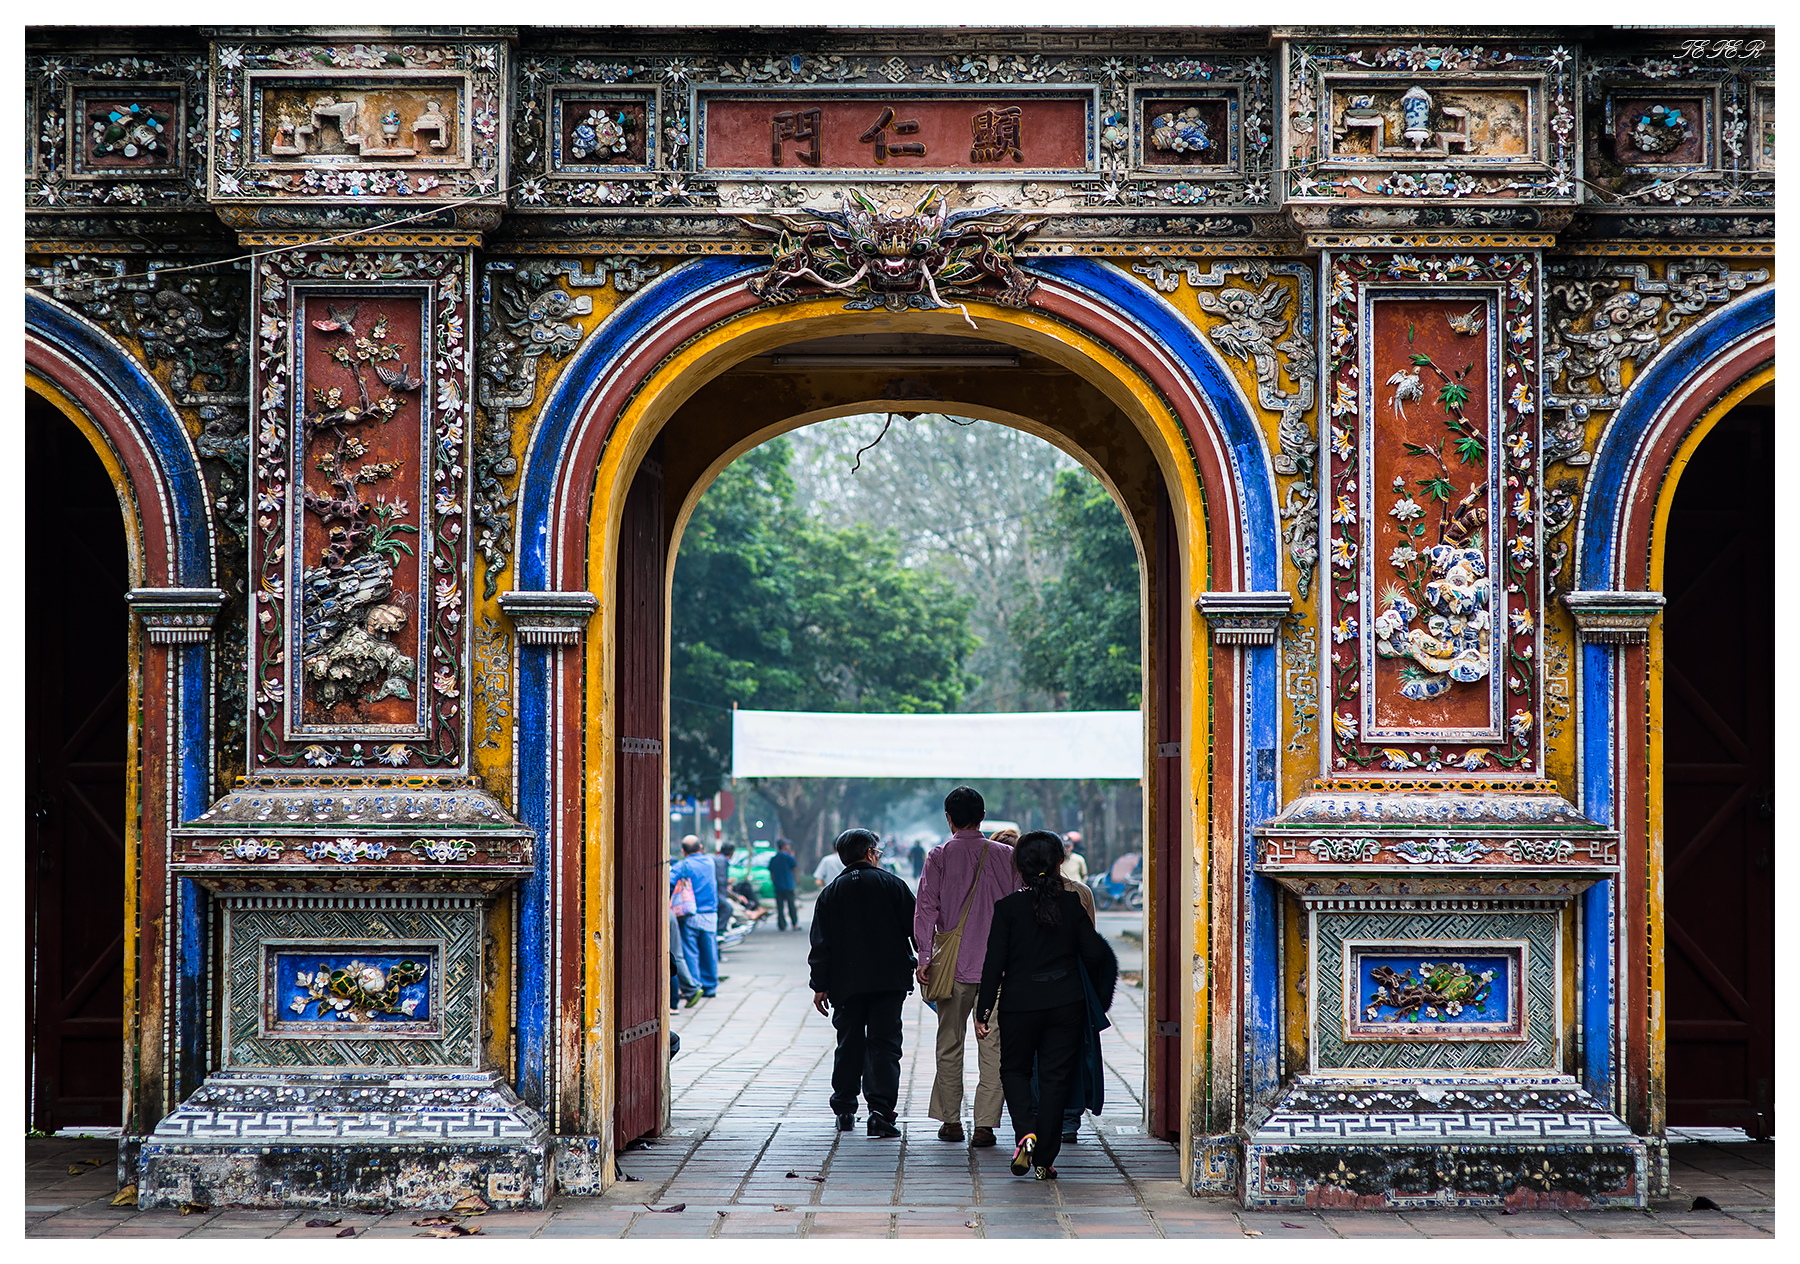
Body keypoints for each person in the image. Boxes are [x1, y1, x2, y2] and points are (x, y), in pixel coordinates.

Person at [975, 830, 1117, 1181]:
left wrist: (983, 1012)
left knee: (1014, 1071)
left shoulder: (1007, 909)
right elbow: (1096, 953)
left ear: (1018, 866)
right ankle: (1045, 1159)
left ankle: (1025, 1132)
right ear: (1059, 863)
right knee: (1055, 1079)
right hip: (1065, 1004)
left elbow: (994, 962)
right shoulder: (1071, 904)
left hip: (1019, 1003)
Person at [914, 785, 1019, 1148]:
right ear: (983, 817)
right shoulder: (1007, 856)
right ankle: (986, 1126)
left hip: (952, 967)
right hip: (1000, 970)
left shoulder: (939, 855)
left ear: (948, 818)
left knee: (949, 1043)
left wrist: (924, 957)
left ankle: (951, 1121)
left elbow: (925, 908)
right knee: (994, 1046)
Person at [808, 828, 917, 1138]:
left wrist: (820, 985)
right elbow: (916, 929)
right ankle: (880, 1112)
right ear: (870, 853)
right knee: (884, 1045)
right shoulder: (892, 885)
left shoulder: (831, 892)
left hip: (845, 984)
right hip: (888, 982)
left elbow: (820, 944)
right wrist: (926, 963)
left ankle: (844, 1109)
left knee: (849, 1042)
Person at [670, 837, 720, 996]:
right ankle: (710, 987)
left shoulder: (683, 865)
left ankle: (695, 985)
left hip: (690, 913)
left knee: (690, 952)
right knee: (709, 951)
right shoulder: (711, 862)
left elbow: (669, 881)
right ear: (701, 847)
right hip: (710, 915)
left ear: (683, 851)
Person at [669, 909, 700, 1008]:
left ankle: (673, 1004)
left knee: (671, 958)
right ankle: (690, 990)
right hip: (669, 913)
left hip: (665, 912)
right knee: (675, 956)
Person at [768, 839, 800, 931]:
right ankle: (794, 924)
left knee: (780, 907)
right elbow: (794, 868)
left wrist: (774, 882)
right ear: (783, 846)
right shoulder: (789, 857)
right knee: (791, 906)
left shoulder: (774, 858)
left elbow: (771, 873)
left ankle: (781, 925)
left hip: (778, 886)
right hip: (788, 885)